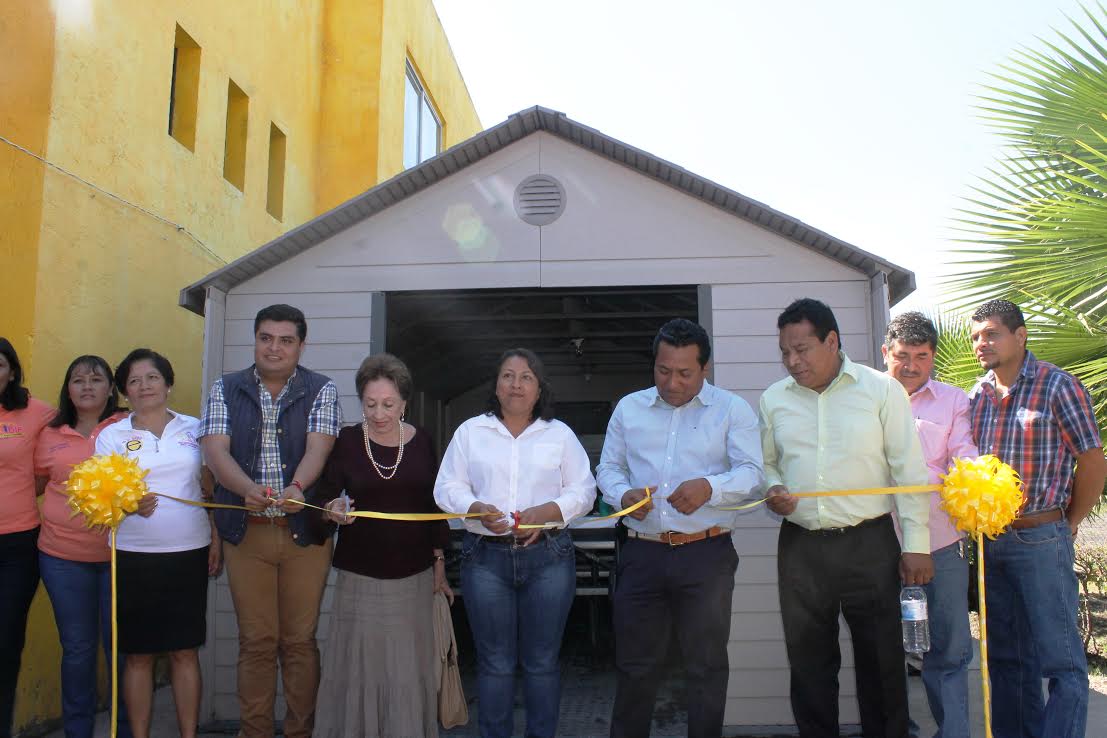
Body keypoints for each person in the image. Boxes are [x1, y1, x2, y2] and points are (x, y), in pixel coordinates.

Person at [761, 298, 931, 738]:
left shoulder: (882, 390)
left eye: (802, 349)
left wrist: (917, 544)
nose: (792, 361)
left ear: (832, 341)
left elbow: (908, 471)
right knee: (809, 665)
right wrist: (772, 488)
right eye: (784, 352)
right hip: (801, 547)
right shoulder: (773, 399)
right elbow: (768, 463)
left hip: (869, 545)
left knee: (882, 664)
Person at [597, 318, 764, 738]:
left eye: (685, 373)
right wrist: (622, 496)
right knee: (635, 666)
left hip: (706, 555)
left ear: (705, 369)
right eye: (663, 370)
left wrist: (710, 487)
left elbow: (752, 474)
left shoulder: (732, 409)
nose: (672, 382)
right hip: (642, 553)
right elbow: (608, 469)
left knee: (706, 666)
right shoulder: (629, 408)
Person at [434, 348, 595, 738]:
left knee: (541, 662)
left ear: (539, 389)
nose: (516, 384)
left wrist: (548, 511)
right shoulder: (471, 432)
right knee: (495, 663)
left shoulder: (560, 434)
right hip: (485, 558)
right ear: (496, 385)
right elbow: (446, 486)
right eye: (508, 375)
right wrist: (472, 506)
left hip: (550, 558)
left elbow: (585, 490)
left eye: (526, 377)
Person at [199, 304, 340, 738]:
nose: (274, 348)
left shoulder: (322, 389)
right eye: (266, 338)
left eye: (285, 340)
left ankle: (301, 732)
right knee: (256, 643)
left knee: (299, 642)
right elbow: (216, 453)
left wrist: (298, 487)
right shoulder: (225, 388)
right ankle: (255, 732)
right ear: (255, 339)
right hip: (248, 535)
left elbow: (319, 448)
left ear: (301, 344)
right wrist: (246, 490)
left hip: (305, 537)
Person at [967, 299, 1106, 738]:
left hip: (1043, 538)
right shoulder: (977, 394)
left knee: (1061, 661)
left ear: (1020, 335)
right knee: (1007, 660)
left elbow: (1092, 460)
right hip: (992, 543)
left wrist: (1070, 521)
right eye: (975, 337)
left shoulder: (1057, 386)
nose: (981, 344)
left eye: (991, 333)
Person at [313, 354, 453, 738]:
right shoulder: (346, 440)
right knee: (362, 667)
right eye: (370, 404)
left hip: (414, 577)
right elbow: (322, 499)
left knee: (407, 669)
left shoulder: (422, 441)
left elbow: (434, 504)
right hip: (360, 578)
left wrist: (439, 561)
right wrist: (332, 509)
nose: (378, 413)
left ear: (404, 403)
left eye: (388, 404)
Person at [95, 349, 220, 738]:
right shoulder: (111, 435)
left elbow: (209, 488)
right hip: (134, 555)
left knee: (184, 651)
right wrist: (126, 504)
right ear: (125, 391)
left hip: (189, 552)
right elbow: (97, 498)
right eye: (134, 380)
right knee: (139, 655)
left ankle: (188, 734)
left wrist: (215, 538)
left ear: (168, 383)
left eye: (152, 377)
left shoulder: (196, 429)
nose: (144, 386)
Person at [882, 313, 977, 738]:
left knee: (950, 649)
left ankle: (953, 732)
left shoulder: (955, 402)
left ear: (933, 356)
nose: (912, 366)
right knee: (883, 648)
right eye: (903, 356)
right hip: (875, 544)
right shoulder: (865, 399)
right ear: (887, 353)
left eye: (922, 356)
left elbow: (966, 461)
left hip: (941, 544)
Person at [35, 355, 132, 738]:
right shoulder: (49, 433)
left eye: (96, 379)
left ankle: (122, 728)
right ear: (68, 389)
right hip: (62, 558)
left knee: (120, 650)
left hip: (120, 556)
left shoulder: (126, 425)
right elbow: (36, 484)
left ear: (111, 388)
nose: (87, 386)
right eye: (78, 380)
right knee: (77, 650)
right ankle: (78, 730)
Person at [0, 338, 55, 738]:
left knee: (4, 643)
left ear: (12, 371)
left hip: (15, 544)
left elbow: (50, 467)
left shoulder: (36, 413)